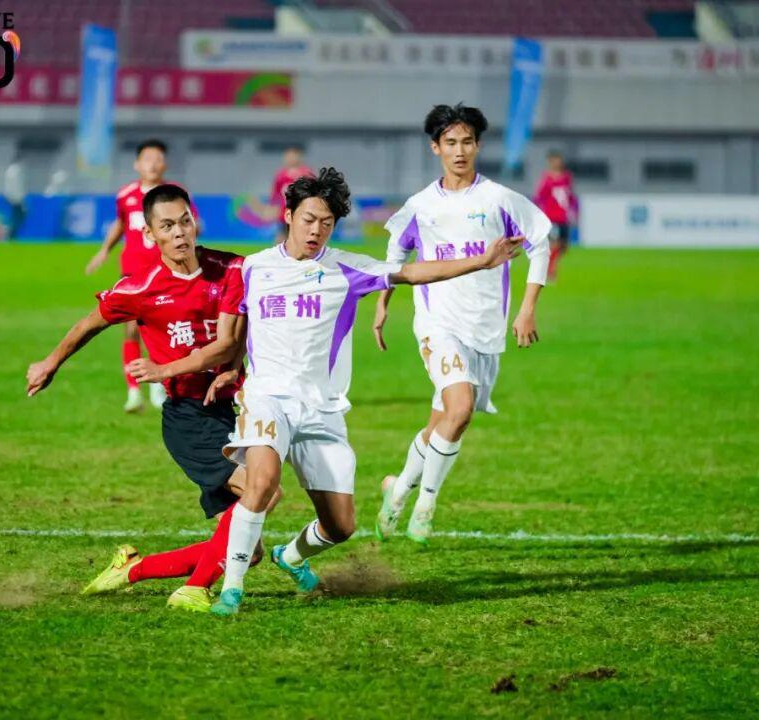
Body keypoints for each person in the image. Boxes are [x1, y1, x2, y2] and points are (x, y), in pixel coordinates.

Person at [133, 168, 523, 616]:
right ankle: (230, 592)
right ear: (288, 216)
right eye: (308, 219)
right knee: (260, 483)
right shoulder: (253, 268)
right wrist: (235, 366)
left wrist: (482, 261)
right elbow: (242, 324)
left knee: (341, 526)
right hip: (267, 399)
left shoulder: (347, 269)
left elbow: (412, 272)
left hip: (321, 410)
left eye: (326, 222)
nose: (316, 230)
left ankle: (290, 555)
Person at [27, 184, 269, 612]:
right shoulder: (141, 288)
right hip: (189, 419)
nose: (179, 233)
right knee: (263, 488)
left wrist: (231, 366)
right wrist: (51, 362)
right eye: (167, 226)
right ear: (150, 234)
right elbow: (89, 324)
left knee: (248, 550)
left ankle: (132, 569)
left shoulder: (231, 269)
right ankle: (193, 590)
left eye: (185, 222)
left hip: (228, 412)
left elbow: (235, 334)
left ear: (195, 222)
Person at [373, 103, 551, 545]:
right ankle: (425, 506)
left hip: (485, 328)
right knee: (460, 409)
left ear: (478, 146)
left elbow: (541, 243)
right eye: (450, 142)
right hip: (437, 324)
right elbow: (395, 257)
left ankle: (399, 488)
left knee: (443, 423)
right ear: (435, 147)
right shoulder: (421, 205)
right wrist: (383, 304)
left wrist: (527, 308)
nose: (459, 150)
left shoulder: (499, 199)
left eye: (467, 142)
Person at [84, 139, 195, 413]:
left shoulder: (174, 195)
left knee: (163, 329)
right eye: (147, 159)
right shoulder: (126, 195)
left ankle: (160, 385)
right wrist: (104, 250)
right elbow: (121, 223)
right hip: (133, 272)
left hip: (166, 271)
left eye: (158, 159)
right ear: (137, 164)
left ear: (165, 164)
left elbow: (191, 224)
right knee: (131, 329)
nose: (153, 164)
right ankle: (134, 392)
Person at [533, 149, 578, 282]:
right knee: (555, 244)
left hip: (563, 217)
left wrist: (574, 210)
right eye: (554, 160)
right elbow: (539, 197)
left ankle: (549, 267)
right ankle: (550, 271)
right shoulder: (546, 178)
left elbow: (570, 195)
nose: (557, 162)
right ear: (550, 162)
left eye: (559, 160)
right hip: (551, 217)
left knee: (563, 246)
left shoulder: (567, 177)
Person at [270, 144, 314, 244]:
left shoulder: (306, 173)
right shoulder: (281, 175)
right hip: (285, 213)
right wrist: (274, 208)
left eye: (293, 156)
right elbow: (276, 194)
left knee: (303, 239)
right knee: (281, 239)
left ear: (299, 157)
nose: (290, 159)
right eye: (288, 156)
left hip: (302, 212)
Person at [3, 151, 26, 239]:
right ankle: (12, 236)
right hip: (16, 199)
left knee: (15, 219)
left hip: (11, 198)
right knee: (17, 220)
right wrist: (21, 200)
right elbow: (18, 186)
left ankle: (12, 236)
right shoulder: (16, 170)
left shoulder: (10, 170)